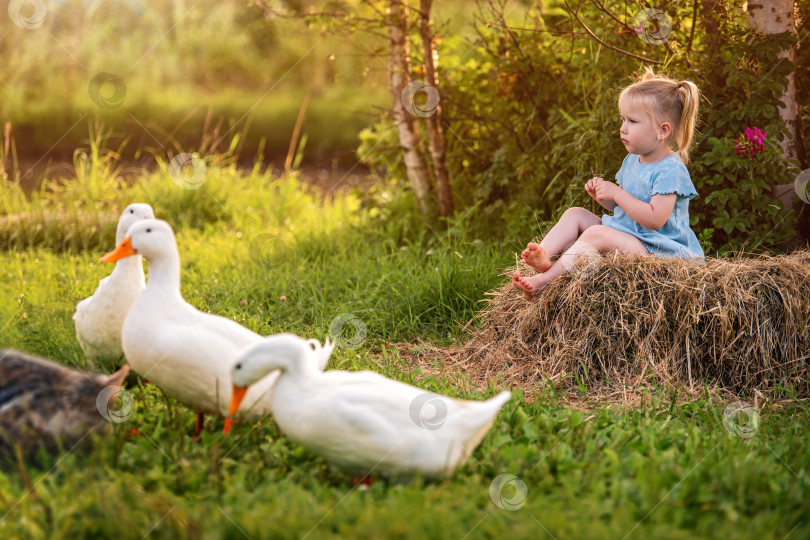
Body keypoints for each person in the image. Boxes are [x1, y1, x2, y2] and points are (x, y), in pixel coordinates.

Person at [513, 69, 703, 300]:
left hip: (660, 252)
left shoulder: (670, 170)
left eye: (632, 121)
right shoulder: (632, 160)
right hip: (633, 237)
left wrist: (618, 193)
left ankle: (543, 282)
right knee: (575, 214)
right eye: (622, 119)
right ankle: (545, 255)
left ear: (663, 130)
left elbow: (654, 220)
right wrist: (604, 198)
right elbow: (624, 210)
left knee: (596, 234)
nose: (623, 127)